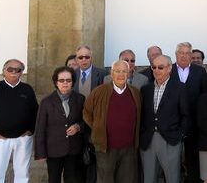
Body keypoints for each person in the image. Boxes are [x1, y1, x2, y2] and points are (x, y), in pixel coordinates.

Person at [0, 59, 38, 183]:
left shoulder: (27, 89)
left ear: (21, 72)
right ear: (4, 71)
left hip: (23, 139)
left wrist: (30, 131)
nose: (14, 72)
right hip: (0, 140)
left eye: (18, 70)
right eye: (10, 69)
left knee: (22, 175)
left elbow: (35, 113)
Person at [84, 60, 142, 183]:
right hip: (106, 148)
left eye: (124, 71)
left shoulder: (135, 92)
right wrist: (97, 127)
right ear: (111, 73)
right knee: (105, 180)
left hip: (129, 148)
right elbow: (86, 112)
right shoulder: (99, 91)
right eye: (117, 71)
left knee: (127, 179)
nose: (120, 74)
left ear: (129, 73)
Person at [140, 55, 190, 183]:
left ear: (169, 69)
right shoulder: (146, 89)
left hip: (170, 141)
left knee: (172, 178)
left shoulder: (179, 88)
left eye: (160, 67)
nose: (156, 70)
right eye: (154, 67)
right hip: (148, 141)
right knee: (148, 179)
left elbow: (186, 114)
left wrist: (180, 135)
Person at [35, 66, 86, 183]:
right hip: (53, 150)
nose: (65, 83)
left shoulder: (80, 99)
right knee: (53, 179)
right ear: (56, 82)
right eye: (61, 80)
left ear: (73, 82)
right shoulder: (46, 102)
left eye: (68, 80)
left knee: (72, 179)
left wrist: (78, 127)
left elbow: (87, 121)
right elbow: (40, 128)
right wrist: (40, 153)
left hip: (73, 150)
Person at [170, 42, 207, 183]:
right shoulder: (169, 70)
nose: (184, 56)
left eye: (188, 53)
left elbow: (205, 97)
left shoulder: (200, 72)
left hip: (194, 124)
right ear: (176, 54)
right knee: (172, 159)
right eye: (181, 53)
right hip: (173, 123)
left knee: (193, 158)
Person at [73, 45, 107, 183]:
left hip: (95, 123)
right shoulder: (71, 74)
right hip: (76, 124)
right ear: (77, 59)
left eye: (87, 56)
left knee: (94, 160)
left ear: (91, 58)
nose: (84, 59)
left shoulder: (103, 74)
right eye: (81, 57)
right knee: (78, 160)